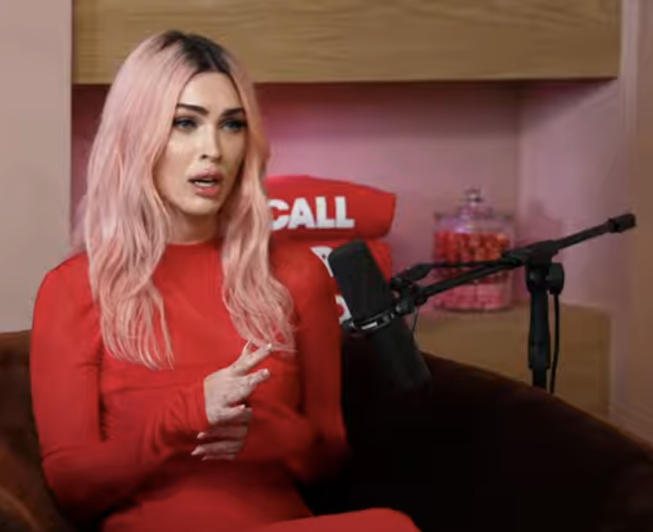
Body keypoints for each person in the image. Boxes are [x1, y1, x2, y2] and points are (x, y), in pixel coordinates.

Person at [29, 30, 420, 532]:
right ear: (135, 135)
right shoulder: (73, 288)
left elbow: (327, 460)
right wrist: (184, 416)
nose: (212, 149)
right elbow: (72, 487)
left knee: (389, 527)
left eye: (231, 125)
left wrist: (269, 430)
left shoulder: (297, 275)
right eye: (184, 123)